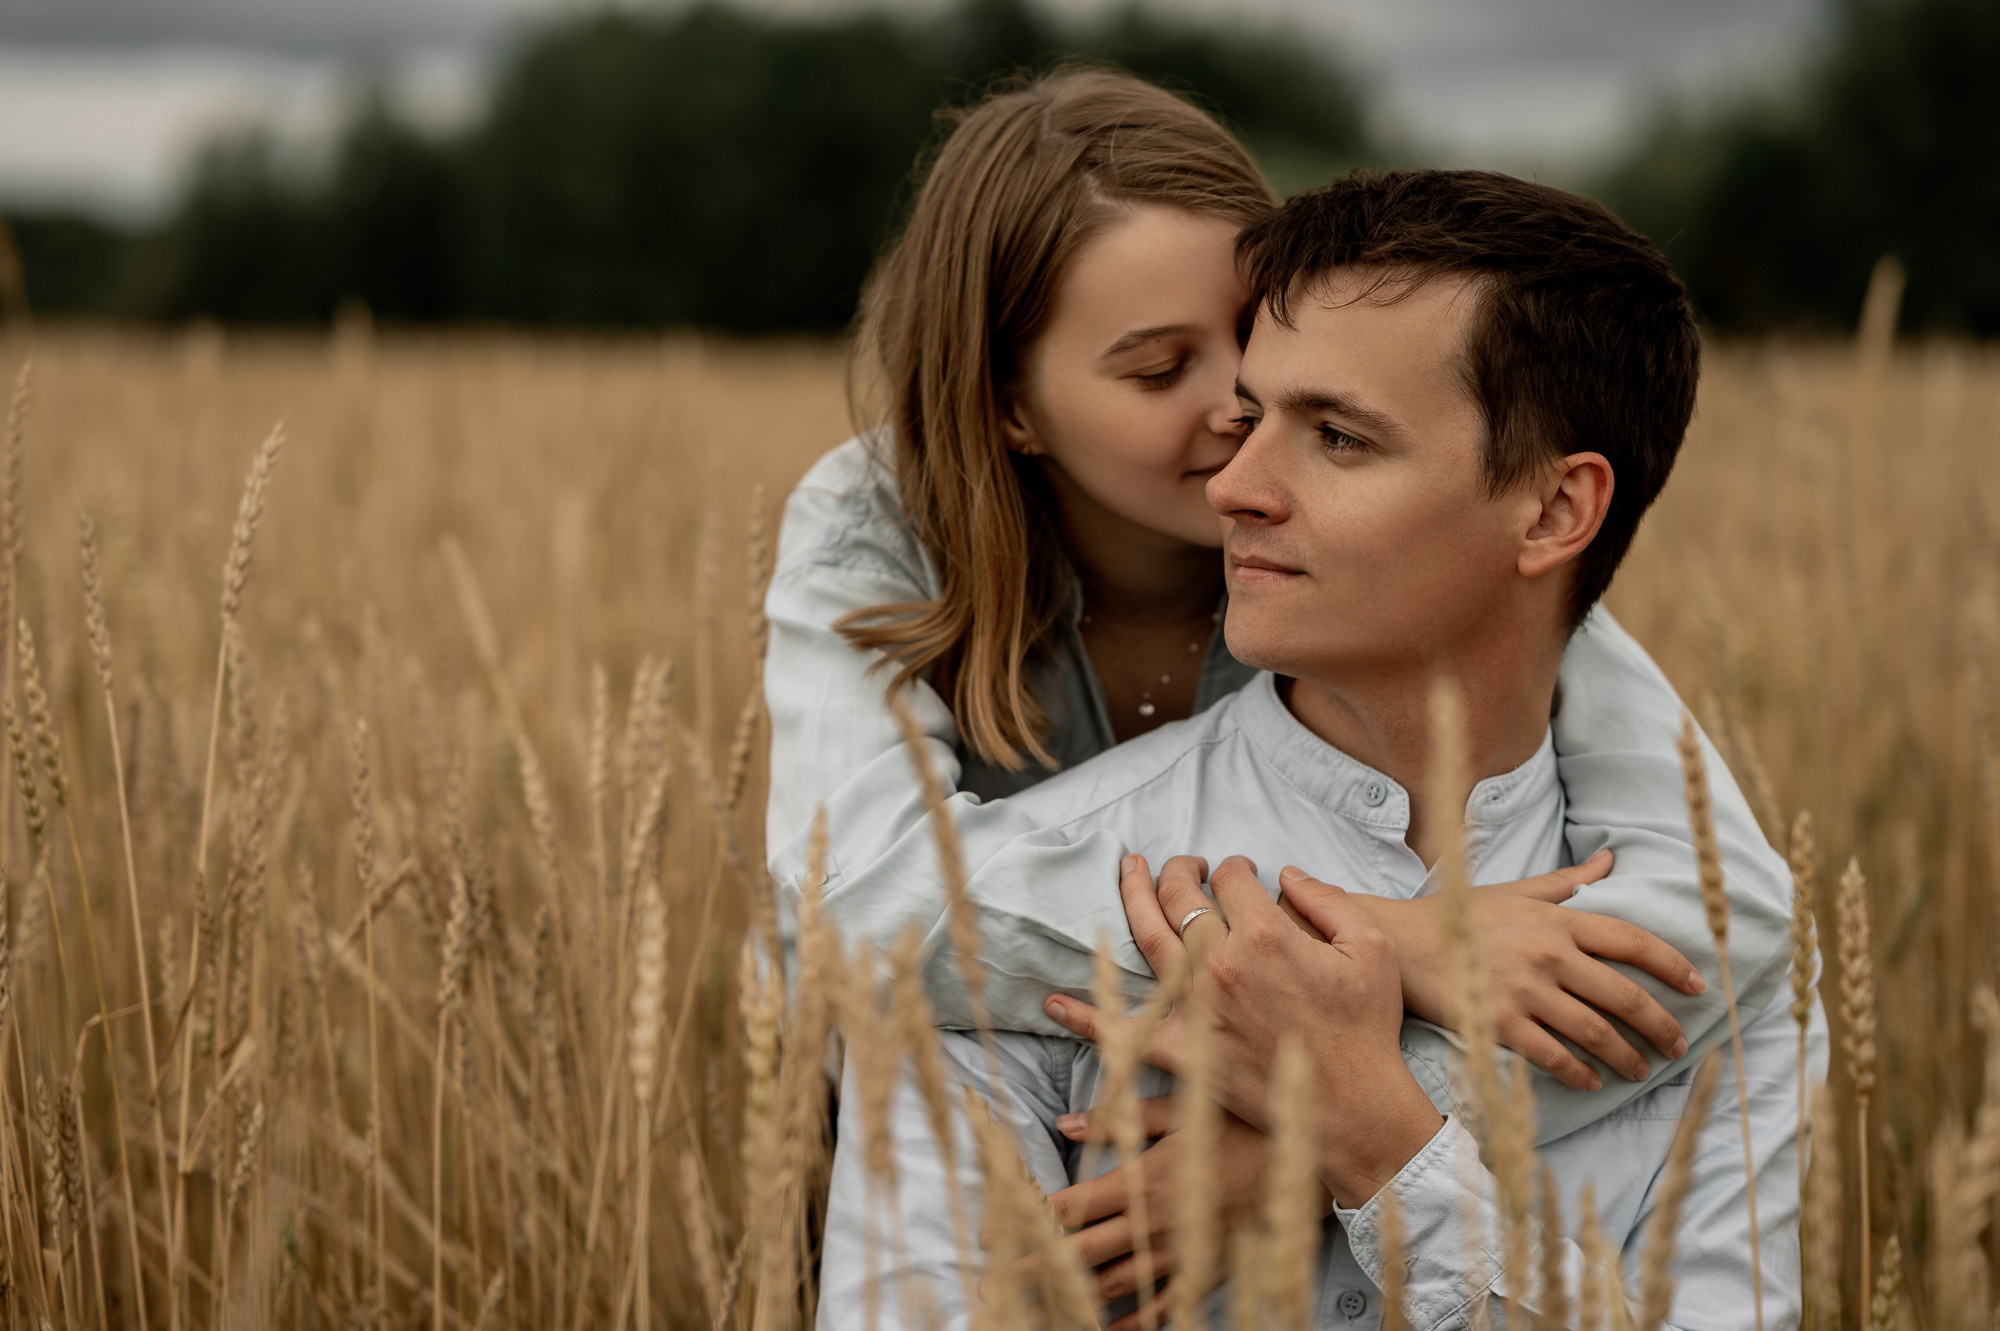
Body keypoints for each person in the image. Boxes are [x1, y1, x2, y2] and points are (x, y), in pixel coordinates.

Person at [767, 66, 1789, 1298]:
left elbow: (1726, 922)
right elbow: (850, 904)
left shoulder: (1439, 573)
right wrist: (1395, 943)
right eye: (1157, 370)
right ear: (1010, 407)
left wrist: (1324, 1137)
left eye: (1250, 351)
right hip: (992, 1098)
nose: (1231, 429)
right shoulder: (879, 523)